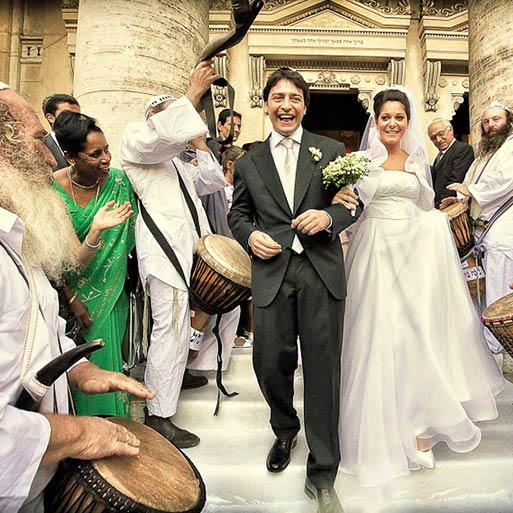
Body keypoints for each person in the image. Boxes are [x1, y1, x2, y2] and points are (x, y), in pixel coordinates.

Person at [334, 87, 504, 489]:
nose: (392, 123)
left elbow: (424, 209)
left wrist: (432, 224)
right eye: (385, 117)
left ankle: (418, 423)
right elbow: (349, 209)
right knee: (375, 336)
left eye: (399, 117)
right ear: (375, 121)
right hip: (373, 253)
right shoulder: (359, 162)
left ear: (408, 122)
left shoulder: (418, 161)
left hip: (412, 256)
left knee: (413, 338)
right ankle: (376, 426)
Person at [0, 82, 154, 513]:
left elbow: (33, 326)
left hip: (36, 482)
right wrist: (81, 434)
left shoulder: (14, 236)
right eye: (37, 141)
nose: (49, 158)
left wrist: (79, 368)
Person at [228, 68, 357, 513]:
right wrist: (249, 236)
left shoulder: (331, 150)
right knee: (269, 363)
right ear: (266, 104)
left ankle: (323, 474)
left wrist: (330, 219)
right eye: (277, 97)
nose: (286, 105)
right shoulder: (248, 161)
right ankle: (285, 428)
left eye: (294, 98)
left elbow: (349, 205)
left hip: (320, 271)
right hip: (272, 273)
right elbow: (238, 214)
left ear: (305, 105)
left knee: (323, 371)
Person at [120, 60, 239, 448]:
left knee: (227, 307)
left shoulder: (175, 159)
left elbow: (212, 182)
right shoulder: (137, 140)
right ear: (156, 118)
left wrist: (202, 148)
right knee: (169, 327)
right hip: (163, 252)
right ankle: (159, 415)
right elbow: (163, 137)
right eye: (173, 112)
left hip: (191, 251)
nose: (185, 117)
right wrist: (189, 95)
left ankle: (185, 369)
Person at [52, 110, 137, 418]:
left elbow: (134, 235)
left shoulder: (118, 181)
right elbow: (60, 259)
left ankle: (114, 430)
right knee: (79, 370)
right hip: (70, 298)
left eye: (107, 150)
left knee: (109, 361)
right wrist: (97, 229)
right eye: (95, 154)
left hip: (112, 292)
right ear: (71, 157)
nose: (106, 158)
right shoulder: (53, 191)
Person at [442, 102, 513, 353]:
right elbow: (469, 182)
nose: (490, 125)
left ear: (508, 121)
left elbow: (504, 180)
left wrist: (471, 191)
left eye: (496, 119)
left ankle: (496, 345)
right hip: (481, 229)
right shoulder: (483, 153)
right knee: (481, 285)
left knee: (498, 284)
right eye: (486, 121)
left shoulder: (511, 146)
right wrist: (460, 199)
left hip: (503, 229)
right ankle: (485, 341)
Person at [427, 118, 474, 207]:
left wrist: (439, 206)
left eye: (441, 134)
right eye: (433, 138)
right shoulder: (439, 156)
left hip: (450, 206)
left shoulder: (462, 149)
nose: (438, 140)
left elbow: (455, 181)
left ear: (450, 130)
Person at [42, 93, 81, 171]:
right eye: (68, 115)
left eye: (78, 116)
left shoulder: (84, 144)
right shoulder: (41, 147)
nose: (75, 120)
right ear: (51, 118)